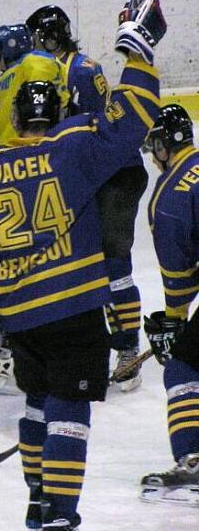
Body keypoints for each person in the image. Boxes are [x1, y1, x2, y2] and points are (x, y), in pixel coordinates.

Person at [0, 0, 164, 529]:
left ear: (16, 117)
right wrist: (138, 50)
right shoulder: (74, 147)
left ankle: (36, 502)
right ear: (59, 111)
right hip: (72, 307)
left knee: (37, 404)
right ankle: (61, 515)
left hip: (19, 313)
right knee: (70, 412)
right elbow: (135, 115)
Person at [26, 5, 148, 391]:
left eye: (35, 39)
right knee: (83, 266)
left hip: (114, 175)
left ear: (49, 37)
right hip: (92, 176)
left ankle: (128, 348)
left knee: (114, 266)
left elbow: (100, 131)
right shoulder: (54, 71)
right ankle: (90, 348)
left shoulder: (82, 69)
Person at [0, 24, 69, 393]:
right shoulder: (39, 63)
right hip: (43, 175)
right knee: (59, 261)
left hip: (2, 186)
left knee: (13, 268)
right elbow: (63, 103)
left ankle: (10, 352)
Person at [139, 103, 199, 506]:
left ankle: (192, 458)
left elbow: (178, 275)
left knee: (183, 366)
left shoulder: (169, 194)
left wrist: (174, 322)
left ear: (163, 146)